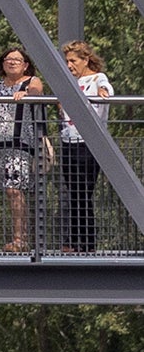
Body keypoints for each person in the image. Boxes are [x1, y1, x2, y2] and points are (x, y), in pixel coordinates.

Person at [0, 45, 46, 253]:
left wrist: (27, 93)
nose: (11, 62)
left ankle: (20, 239)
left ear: (25, 65)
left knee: (14, 189)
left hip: (19, 144)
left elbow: (38, 93)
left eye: (17, 60)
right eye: (8, 59)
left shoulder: (30, 81)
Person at [60, 40, 113, 253]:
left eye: (73, 61)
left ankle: (83, 242)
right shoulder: (68, 81)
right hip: (69, 140)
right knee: (74, 192)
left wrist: (102, 92)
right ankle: (76, 241)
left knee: (83, 191)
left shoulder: (97, 77)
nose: (69, 65)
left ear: (86, 59)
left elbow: (105, 88)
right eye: (67, 61)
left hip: (90, 142)